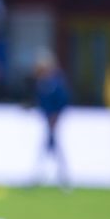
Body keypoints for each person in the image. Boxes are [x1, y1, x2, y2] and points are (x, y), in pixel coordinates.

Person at [31, 49, 70, 188]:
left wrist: (55, 116)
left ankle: (63, 179)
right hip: (47, 119)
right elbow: (41, 101)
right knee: (50, 147)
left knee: (53, 147)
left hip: (53, 119)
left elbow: (62, 100)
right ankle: (57, 178)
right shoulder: (41, 82)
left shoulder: (55, 81)